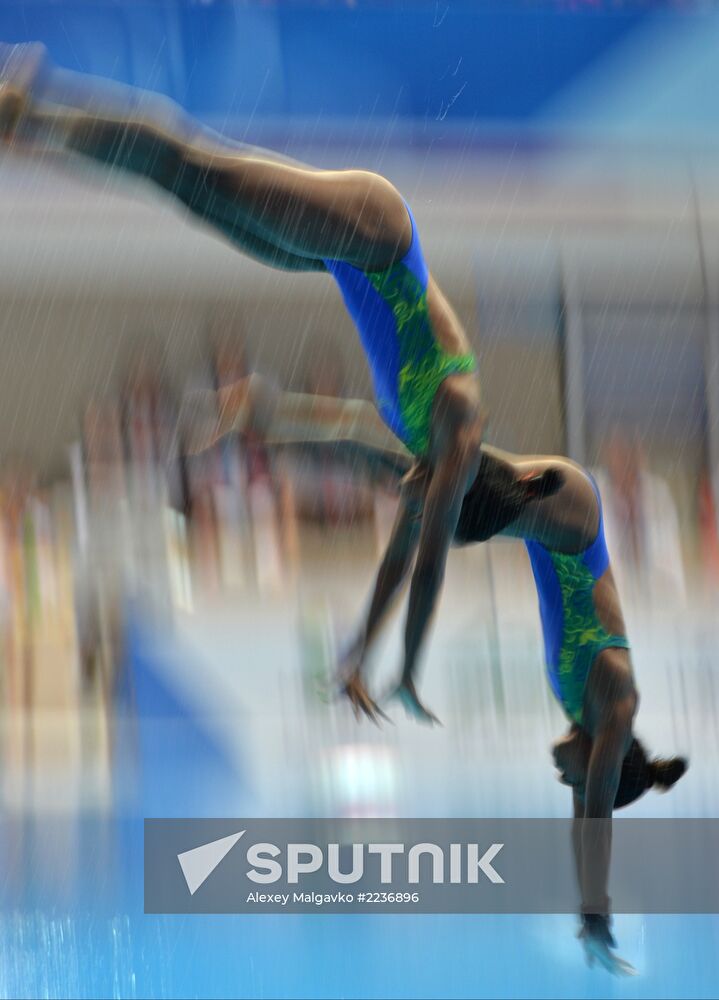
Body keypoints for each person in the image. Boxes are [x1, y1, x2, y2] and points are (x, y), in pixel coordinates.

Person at [0, 41, 546, 718]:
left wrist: (357, 654)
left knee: (186, 192)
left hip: (338, 262)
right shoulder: (459, 419)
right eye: (429, 500)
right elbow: (427, 565)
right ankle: (31, 108)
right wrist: (405, 670)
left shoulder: (425, 466)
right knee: (191, 163)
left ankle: (34, 131)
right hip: (374, 231)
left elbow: (384, 535)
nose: (409, 494)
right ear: (455, 486)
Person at [179, 372, 688, 975]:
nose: (567, 781)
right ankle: (267, 412)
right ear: (605, 757)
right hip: (565, 511)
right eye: (576, 780)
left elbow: (588, 810)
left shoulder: (591, 714)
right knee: (417, 492)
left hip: (547, 520)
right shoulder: (615, 698)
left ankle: (267, 423)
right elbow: (596, 817)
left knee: (411, 487)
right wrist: (597, 916)